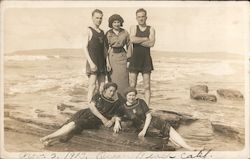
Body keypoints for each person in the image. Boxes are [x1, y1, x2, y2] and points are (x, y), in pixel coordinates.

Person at [115, 87, 199, 151]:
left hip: (152, 121)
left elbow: (148, 116)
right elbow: (118, 116)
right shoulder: (123, 107)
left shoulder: (140, 102)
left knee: (169, 130)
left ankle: (189, 147)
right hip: (141, 126)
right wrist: (117, 122)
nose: (132, 97)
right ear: (126, 96)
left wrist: (144, 130)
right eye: (129, 95)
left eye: (133, 95)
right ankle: (182, 146)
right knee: (166, 136)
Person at [40, 82, 123, 147]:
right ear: (105, 90)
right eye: (110, 90)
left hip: (93, 120)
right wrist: (103, 118)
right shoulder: (98, 95)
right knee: (68, 125)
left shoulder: (116, 102)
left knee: (73, 125)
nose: (112, 93)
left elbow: (118, 113)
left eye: (114, 91)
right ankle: (51, 141)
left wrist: (115, 121)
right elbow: (92, 107)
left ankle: (48, 137)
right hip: (84, 113)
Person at [128, 8, 155, 106]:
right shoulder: (133, 27)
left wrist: (138, 40)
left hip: (146, 60)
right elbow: (132, 39)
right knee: (132, 86)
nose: (141, 19)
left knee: (147, 86)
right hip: (135, 59)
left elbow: (151, 43)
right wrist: (144, 38)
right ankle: (132, 105)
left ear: (146, 17)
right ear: (136, 18)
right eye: (139, 17)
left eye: (143, 16)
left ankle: (147, 107)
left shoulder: (151, 29)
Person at [105, 14, 132, 98]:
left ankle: (124, 101)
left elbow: (129, 45)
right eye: (114, 22)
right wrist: (107, 63)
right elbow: (105, 49)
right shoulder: (108, 33)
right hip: (112, 57)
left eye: (118, 22)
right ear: (111, 23)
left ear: (121, 22)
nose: (116, 24)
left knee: (124, 80)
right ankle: (112, 100)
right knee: (112, 81)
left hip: (123, 57)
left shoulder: (125, 32)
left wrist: (128, 60)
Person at [84, 9, 107, 103]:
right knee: (92, 86)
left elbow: (104, 49)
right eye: (97, 18)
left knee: (101, 87)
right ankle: (89, 106)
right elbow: (84, 47)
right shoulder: (88, 30)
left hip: (102, 62)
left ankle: (98, 106)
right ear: (92, 18)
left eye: (100, 18)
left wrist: (107, 62)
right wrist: (91, 63)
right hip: (93, 61)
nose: (99, 20)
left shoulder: (102, 32)